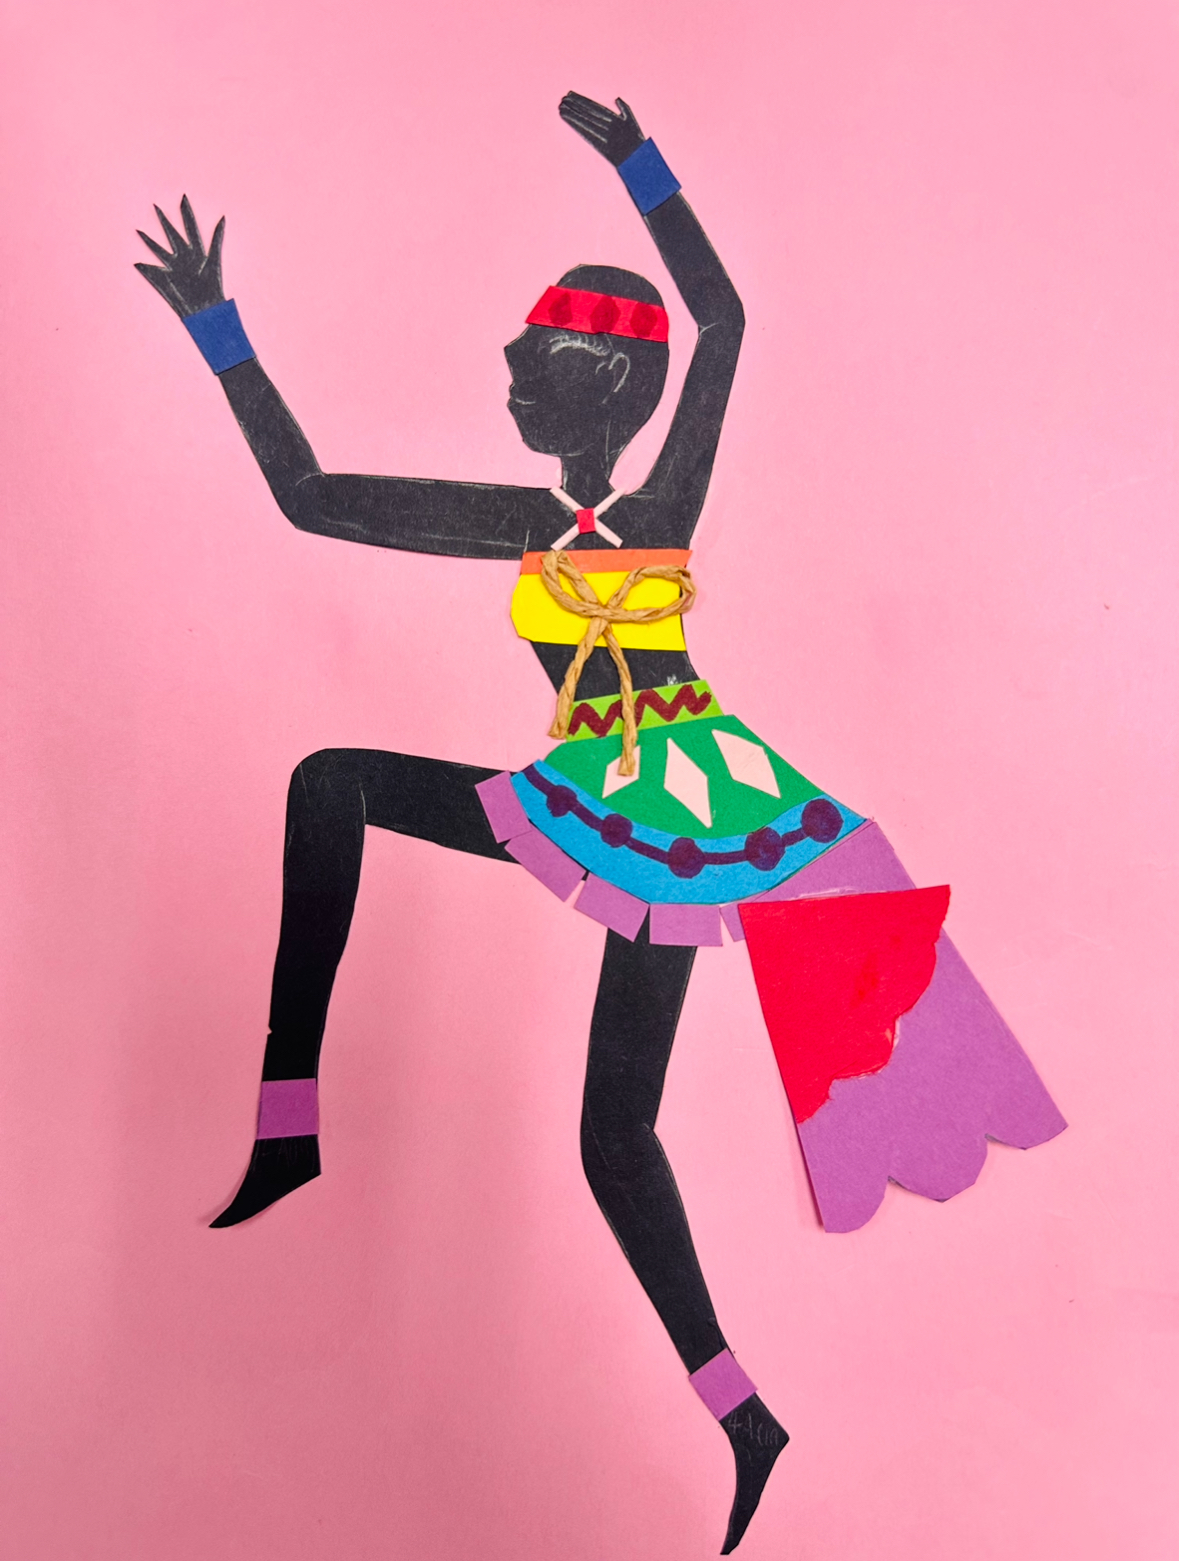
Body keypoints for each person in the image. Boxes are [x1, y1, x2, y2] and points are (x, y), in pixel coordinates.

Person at [137, 90, 1064, 1553]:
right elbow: (312, 498)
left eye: (538, 365)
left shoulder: (661, 508)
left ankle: (736, 1410)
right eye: (517, 364)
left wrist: (642, 168)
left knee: (609, 1132)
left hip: (687, 805)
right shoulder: (516, 524)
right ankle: (292, 1124)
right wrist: (220, 332)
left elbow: (727, 325)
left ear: (606, 388)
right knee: (335, 786)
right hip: (581, 793)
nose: (512, 384)